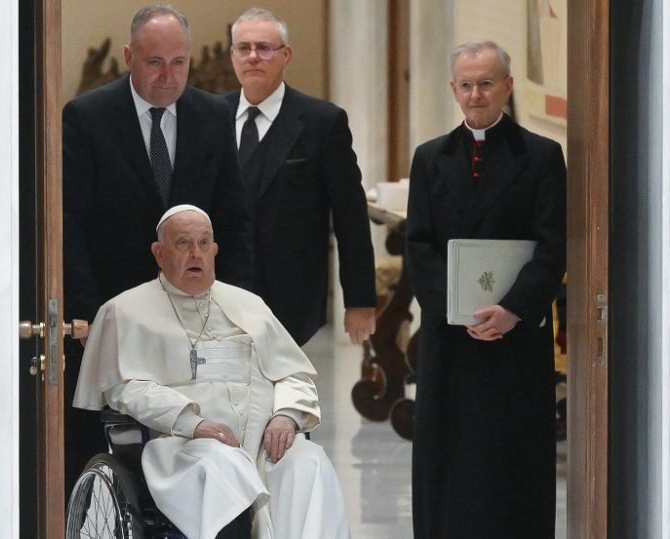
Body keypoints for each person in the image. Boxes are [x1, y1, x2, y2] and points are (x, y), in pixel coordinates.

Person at [62, 4, 253, 496]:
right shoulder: (86, 117)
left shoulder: (213, 116)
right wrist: (86, 314)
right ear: (129, 57)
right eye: (154, 63)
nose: (168, 76)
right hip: (112, 311)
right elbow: (70, 226)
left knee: (185, 431)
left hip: (191, 312)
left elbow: (233, 219)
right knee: (104, 438)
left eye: (179, 63)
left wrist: (234, 307)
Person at [73, 205, 350, 539]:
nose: (196, 253)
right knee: (221, 467)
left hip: (262, 444)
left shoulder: (250, 306)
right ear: (159, 253)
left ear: (215, 250)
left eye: (204, 243)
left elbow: (292, 373)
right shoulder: (124, 311)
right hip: (181, 447)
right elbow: (125, 388)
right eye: (183, 243)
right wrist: (194, 422)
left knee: (308, 461)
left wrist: (287, 416)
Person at [405, 41, 566, 537]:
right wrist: (455, 309)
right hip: (451, 336)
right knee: (450, 461)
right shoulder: (429, 158)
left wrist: (513, 309)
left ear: (508, 86)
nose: (476, 95)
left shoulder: (541, 156)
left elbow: (553, 245)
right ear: (453, 89)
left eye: (487, 84)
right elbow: (419, 245)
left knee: (511, 459)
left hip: (515, 338)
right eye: (467, 85)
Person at [224, 8, 376, 346]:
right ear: (233, 56)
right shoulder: (210, 116)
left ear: (286, 55)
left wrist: (359, 301)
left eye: (264, 48)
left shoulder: (322, 122)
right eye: (244, 48)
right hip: (220, 290)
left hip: (291, 297)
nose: (253, 57)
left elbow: (350, 216)